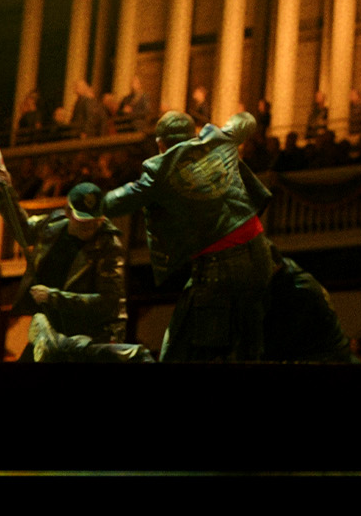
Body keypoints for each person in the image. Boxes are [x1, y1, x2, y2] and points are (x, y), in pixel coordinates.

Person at [102, 109, 274, 362]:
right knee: (250, 345)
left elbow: (118, 201)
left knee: (198, 350)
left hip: (218, 268)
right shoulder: (218, 139)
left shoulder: (158, 170)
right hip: (260, 254)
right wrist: (226, 129)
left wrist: (90, 202)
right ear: (193, 133)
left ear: (160, 144)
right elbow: (246, 120)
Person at [0, 177, 151, 362]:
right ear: (68, 212)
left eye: (95, 219)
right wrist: (3, 193)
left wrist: (54, 297)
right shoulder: (52, 225)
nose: (90, 225)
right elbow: (24, 231)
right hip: (52, 330)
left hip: (91, 336)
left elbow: (108, 302)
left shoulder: (109, 246)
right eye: (82, 219)